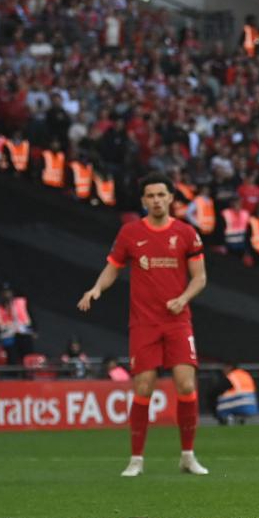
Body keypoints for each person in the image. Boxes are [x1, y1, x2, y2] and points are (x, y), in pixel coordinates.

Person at [78, 173, 209, 477]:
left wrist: (183, 297)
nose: (157, 200)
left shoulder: (186, 233)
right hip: (144, 323)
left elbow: (200, 277)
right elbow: (112, 267)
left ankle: (188, 456)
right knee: (143, 387)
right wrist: (97, 289)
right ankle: (136, 459)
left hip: (177, 321)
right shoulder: (130, 233)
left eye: (161, 195)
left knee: (186, 384)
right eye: (150, 196)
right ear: (143, 201)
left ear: (170, 198)